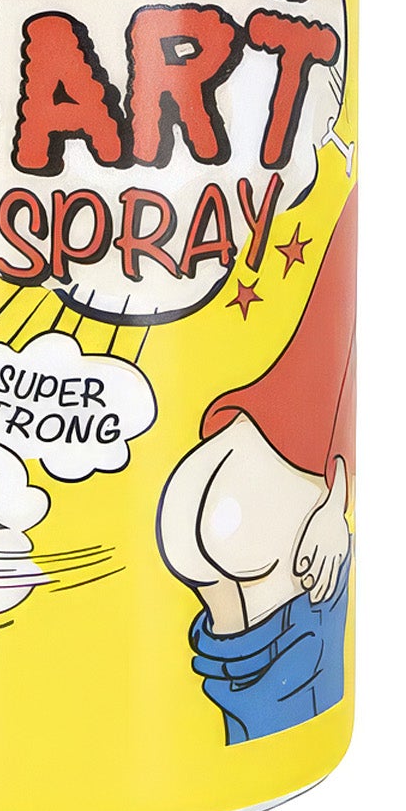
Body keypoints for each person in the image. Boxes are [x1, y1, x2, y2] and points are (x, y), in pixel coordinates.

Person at [157, 194, 357, 744]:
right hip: (273, 448)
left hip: (296, 509)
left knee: (274, 680)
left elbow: (334, 348)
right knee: (244, 668)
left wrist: (335, 502)